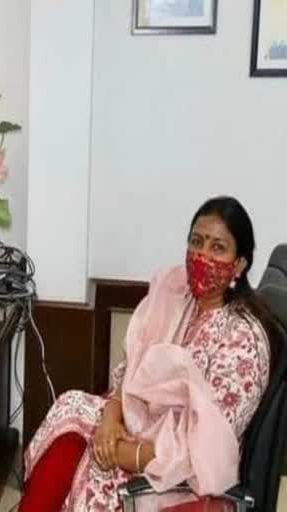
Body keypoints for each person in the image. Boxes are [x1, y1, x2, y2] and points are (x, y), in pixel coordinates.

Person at [20, 197, 280, 511]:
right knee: (70, 414)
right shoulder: (176, 296)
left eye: (218, 247)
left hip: (178, 475)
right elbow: (127, 375)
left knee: (80, 464)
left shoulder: (242, 340)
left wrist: (120, 452)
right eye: (196, 242)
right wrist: (110, 423)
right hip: (135, 428)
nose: (203, 256)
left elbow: (203, 451)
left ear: (239, 264)